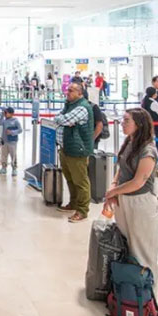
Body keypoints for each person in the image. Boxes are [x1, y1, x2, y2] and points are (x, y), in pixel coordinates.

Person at [104, 108, 158, 285]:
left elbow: (138, 182)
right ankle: (128, 289)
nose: (122, 123)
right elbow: (122, 169)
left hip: (140, 203)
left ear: (139, 124)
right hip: (124, 201)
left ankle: (147, 291)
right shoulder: (130, 142)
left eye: (127, 120)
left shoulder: (148, 151)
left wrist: (114, 192)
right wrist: (114, 186)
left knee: (142, 251)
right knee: (127, 245)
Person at [54, 82, 94, 223]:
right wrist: (62, 120)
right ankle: (73, 203)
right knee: (70, 179)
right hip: (65, 148)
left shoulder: (82, 107)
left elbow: (64, 119)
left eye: (71, 90)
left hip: (77, 150)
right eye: (67, 90)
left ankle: (82, 210)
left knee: (80, 181)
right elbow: (59, 118)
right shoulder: (69, 105)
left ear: (80, 93)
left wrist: (62, 120)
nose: (68, 92)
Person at [141, 87, 158, 178]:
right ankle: (154, 169)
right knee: (154, 148)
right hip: (156, 127)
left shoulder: (144, 101)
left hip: (147, 126)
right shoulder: (154, 103)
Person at [0, 107, 21, 176]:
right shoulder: (4, 120)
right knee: (4, 155)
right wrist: (2, 116)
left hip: (12, 142)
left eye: (6, 113)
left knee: (13, 155)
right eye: (5, 112)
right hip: (4, 141)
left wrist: (12, 132)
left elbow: (20, 130)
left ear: (11, 114)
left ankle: (14, 168)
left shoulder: (15, 121)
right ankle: (3, 168)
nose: (5, 114)